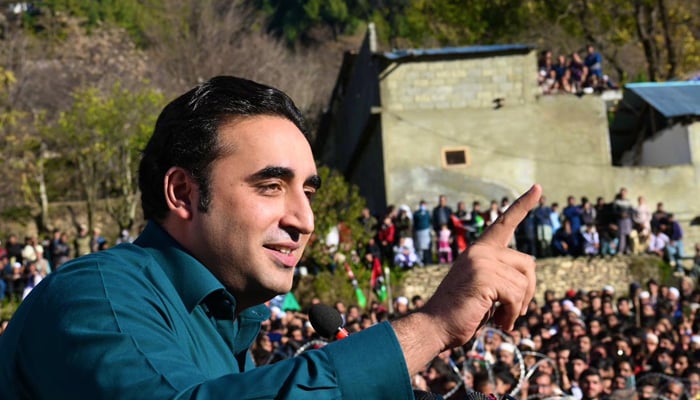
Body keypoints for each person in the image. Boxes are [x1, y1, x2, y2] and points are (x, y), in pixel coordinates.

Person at [0, 76, 542, 399]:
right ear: (183, 192)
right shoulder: (97, 295)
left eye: (308, 190)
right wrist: (430, 327)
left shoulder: (232, 331)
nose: (303, 218)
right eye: (270, 185)